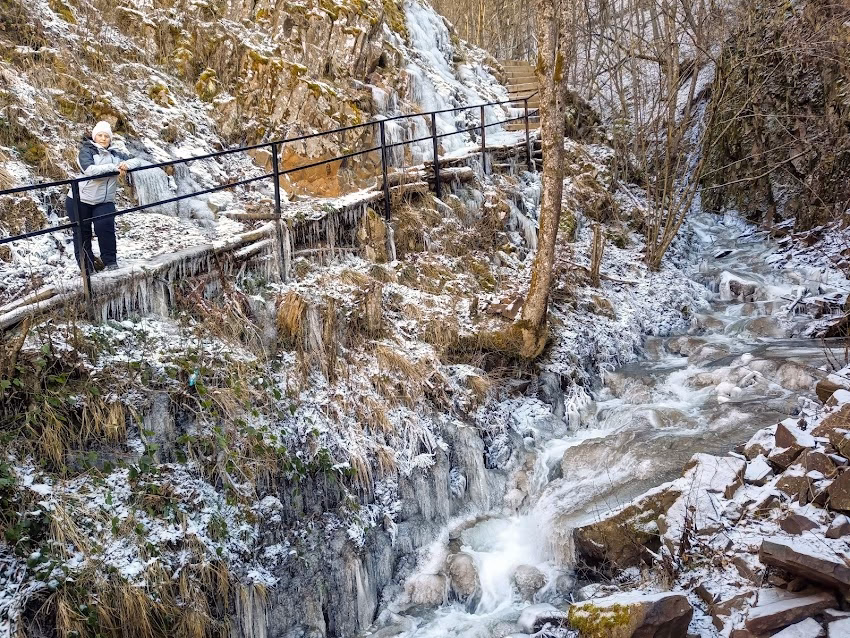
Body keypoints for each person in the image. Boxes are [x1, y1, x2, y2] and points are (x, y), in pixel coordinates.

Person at [65, 121, 142, 272]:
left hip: (104, 200)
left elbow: (136, 160)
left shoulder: (116, 153)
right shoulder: (86, 151)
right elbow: (89, 170)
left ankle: (110, 262)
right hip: (80, 199)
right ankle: (87, 268)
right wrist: (114, 168)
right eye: (100, 135)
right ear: (94, 137)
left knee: (105, 228)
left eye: (106, 136)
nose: (103, 138)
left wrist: (126, 165)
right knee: (82, 233)